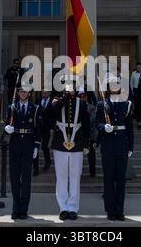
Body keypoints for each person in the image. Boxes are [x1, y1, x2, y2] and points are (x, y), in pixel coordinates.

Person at [96, 76, 134, 221]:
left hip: (122, 143)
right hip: (108, 144)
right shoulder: (102, 104)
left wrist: (131, 146)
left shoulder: (127, 104)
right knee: (109, 178)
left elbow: (130, 127)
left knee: (120, 179)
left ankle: (120, 210)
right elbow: (97, 124)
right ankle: (110, 210)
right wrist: (103, 127)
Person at [51, 81, 90, 221]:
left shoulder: (82, 103)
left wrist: (86, 144)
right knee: (61, 177)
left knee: (75, 177)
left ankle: (73, 207)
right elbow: (53, 112)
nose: (70, 89)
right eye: (67, 86)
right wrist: (65, 97)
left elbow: (86, 125)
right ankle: (63, 208)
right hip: (60, 142)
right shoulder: (57, 100)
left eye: (72, 87)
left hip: (77, 142)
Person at [4, 87, 42, 220]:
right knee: (14, 178)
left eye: (25, 92)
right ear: (18, 93)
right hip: (15, 145)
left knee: (26, 179)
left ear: (30, 93)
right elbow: (8, 122)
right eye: (21, 91)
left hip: (28, 145)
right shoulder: (12, 107)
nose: (23, 94)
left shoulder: (35, 108)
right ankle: (15, 207)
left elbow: (38, 128)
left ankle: (24, 209)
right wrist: (7, 128)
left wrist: (37, 145)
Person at [33, 90, 54, 176]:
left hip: (47, 128)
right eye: (42, 93)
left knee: (45, 146)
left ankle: (47, 163)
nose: (43, 94)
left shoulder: (53, 102)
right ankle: (35, 168)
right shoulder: (38, 101)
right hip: (38, 127)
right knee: (35, 147)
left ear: (49, 93)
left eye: (45, 93)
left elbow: (54, 115)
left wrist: (52, 127)